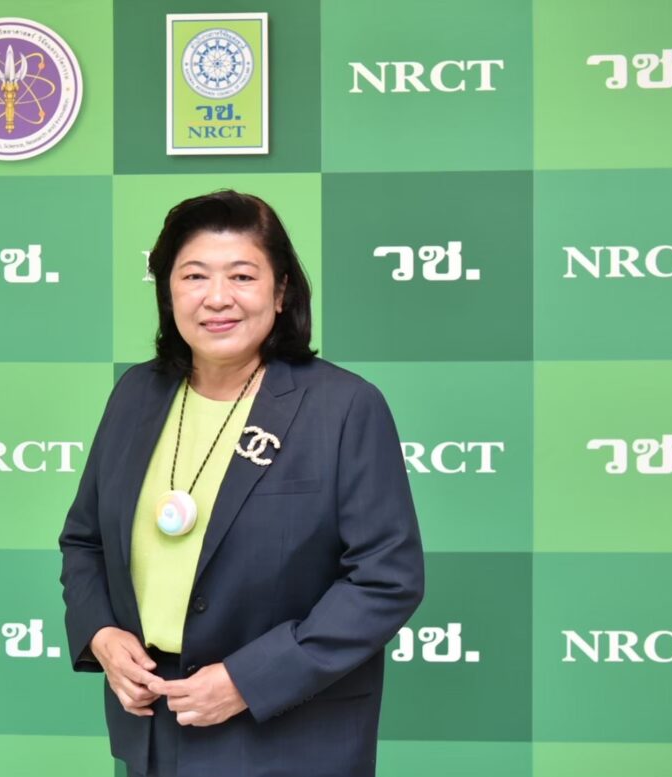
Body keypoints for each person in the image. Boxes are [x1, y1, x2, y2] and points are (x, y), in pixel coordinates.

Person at [59, 190, 424, 777]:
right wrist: (100, 632)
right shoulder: (135, 395)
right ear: (168, 293)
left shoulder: (344, 406)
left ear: (281, 293)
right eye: (194, 276)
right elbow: (84, 541)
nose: (217, 297)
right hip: (155, 727)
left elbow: (385, 579)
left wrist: (247, 680)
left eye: (242, 276)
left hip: (289, 738)